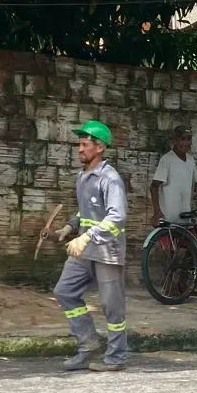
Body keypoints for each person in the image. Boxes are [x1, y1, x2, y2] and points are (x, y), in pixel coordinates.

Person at [53, 121, 129, 372]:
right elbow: (86, 210)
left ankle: (117, 357)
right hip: (84, 248)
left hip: (107, 250)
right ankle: (87, 344)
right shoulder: (83, 176)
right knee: (65, 291)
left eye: (85, 145)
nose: (79, 149)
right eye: (79, 144)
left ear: (100, 147)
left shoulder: (110, 178)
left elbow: (116, 216)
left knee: (111, 306)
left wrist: (86, 237)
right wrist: (70, 226)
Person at [151, 125, 197, 225]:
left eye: (189, 139)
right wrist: (157, 212)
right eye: (183, 139)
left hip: (185, 217)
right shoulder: (167, 159)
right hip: (169, 218)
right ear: (175, 141)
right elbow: (154, 187)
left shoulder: (190, 160)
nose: (186, 143)